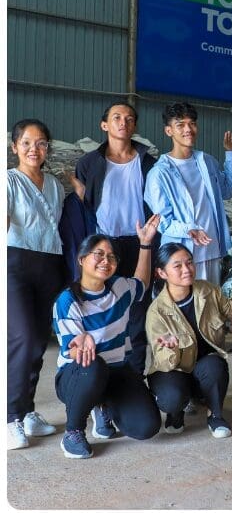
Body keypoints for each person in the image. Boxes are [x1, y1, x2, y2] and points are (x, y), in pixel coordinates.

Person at [52, 215, 162, 458]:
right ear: (82, 260)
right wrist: (83, 343)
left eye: (111, 256)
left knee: (147, 427)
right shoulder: (68, 301)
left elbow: (142, 283)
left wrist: (145, 244)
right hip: (77, 376)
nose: (106, 260)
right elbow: (70, 351)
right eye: (98, 254)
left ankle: (104, 406)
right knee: (93, 364)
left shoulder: (119, 288)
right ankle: (73, 432)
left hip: (116, 372)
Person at [74, 101, 159, 374]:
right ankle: (103, 381)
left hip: (139, 242)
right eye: (117, 117)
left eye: (130, 118)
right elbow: (84, 207)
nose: (124, 122)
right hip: (104, 245)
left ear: (135, 126)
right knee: (103, 310)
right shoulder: (89, 163)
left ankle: (134, 380)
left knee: (137, 311)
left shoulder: (148, 163)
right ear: (104, 125)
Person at [7, 119, 66, 450]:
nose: (34, 149)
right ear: (15, 147)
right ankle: (10, 417)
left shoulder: (55, 185)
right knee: (23, 338)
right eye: (27, 143)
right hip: (15, 264)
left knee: (39, 342)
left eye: (41, 143)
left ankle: (27, 411)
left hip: (49, 265)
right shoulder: (8, 181)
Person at [144, 101, 232, 286]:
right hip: (181, 255)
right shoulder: (159, 173)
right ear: (168, 131)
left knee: (209, 307)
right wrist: (189, 229)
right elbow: (162, 222)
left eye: (192, 123)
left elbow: (226, 191)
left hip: (211, 249)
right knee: (185, 308)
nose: (188, 129)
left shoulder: (206, 161)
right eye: (180, 125)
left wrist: (231, 155)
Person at [146, 243, 232, 438]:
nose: (187, 269)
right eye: (177, 266)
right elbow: (163, 361)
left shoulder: (208, 291)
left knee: (215, 365)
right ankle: (176, 412)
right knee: (171, 398)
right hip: (173, 369)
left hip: (203, 366)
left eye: (189, 262)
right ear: (162, 273)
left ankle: (215, 415)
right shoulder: (157, 311)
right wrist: (172, 349)